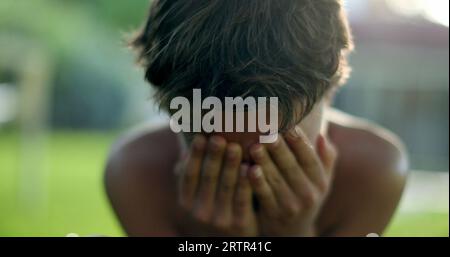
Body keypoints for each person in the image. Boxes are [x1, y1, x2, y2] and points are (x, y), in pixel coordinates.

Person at [104, 0, 409, 236]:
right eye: (220, 157)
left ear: (329, 90)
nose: (253, 181)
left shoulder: (373, 173)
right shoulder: (136, 175)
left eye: (278, 152)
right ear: (170, 110)